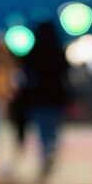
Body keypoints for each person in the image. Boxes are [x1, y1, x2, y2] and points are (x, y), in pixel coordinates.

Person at [23, 20, 70, 175]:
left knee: (42, 125)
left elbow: (27, 71)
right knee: (53, 124)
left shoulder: (34, 51)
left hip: (38, 95)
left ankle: (45, 150)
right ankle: (52, 146)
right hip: (56, 95)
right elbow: (66, 71)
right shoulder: (58, 50)